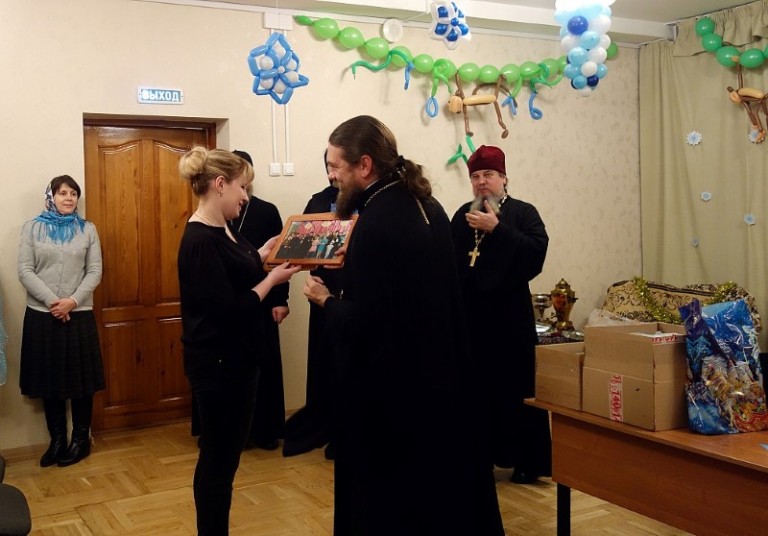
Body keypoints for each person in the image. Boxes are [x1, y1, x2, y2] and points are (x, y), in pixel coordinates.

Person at [303, 116, 504, 536]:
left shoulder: (376, 221)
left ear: (364, 165)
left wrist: (326, 302)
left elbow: (370, 322)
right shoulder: (425, 204)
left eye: (336, 166)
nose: (332, 176)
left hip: (393, 395)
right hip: (438, 381)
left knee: (392, 506)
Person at [177, 146, 299, 536]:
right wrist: (272, 279)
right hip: (218, 366)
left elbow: (237, 268)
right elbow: (229, 309)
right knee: (218, 461)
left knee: (225, 460)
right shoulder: (200, 238)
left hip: (238, 362)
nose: (245, 196)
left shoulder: (224, 228)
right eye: (241, 187)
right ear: (220, 184)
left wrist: (262, 254)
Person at [450, 144, 552, 484]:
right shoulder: (461, 216)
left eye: (489, 175)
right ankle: (479, 458)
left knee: (516, 391)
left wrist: (499, 229)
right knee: (476, 393)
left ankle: (527, 462)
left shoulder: (523, 213)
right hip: (472, 320)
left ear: (504, 178)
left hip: (510, 321)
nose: (482, 182)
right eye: (476, 176)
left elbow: (536, 255)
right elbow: (448, 263)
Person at [17, 175, 104, 468]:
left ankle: (80, 441)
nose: (68, 198)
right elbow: (25, 270)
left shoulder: (88, 229)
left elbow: (95, 270)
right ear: (51, 197)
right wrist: (54, 302)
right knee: (49, 380)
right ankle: (57, 440)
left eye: (73, 193)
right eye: (62, 193)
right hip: (43, 315)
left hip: (79, 314)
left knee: (82, 382)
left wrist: (72, 301)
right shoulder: (32, 228)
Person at [229, 149, 289, 451]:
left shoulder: (266, 210)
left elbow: (281, 257)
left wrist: (281, 299)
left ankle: (266, 430)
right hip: (232, 301)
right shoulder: (217, 215)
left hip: (264, 300)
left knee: (264, 366)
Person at [283, 152, 341, 460]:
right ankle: (324, 428)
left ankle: (347, 434)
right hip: (322, 294)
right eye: (328, 167)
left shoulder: (370, 203)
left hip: (352, 297)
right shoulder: (318, 201)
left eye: (336, 166)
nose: (332, 174)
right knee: (323, 364)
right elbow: (301, 249)